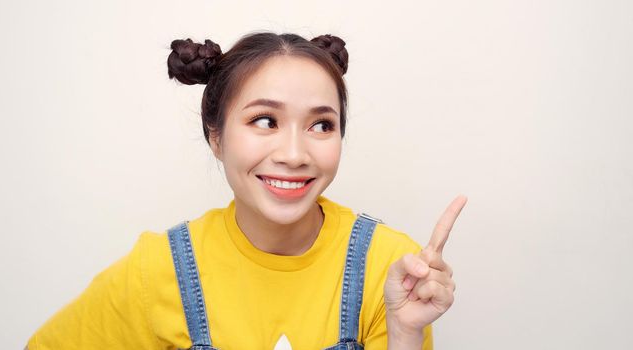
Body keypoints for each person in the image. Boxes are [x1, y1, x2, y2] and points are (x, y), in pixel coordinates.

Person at [26, 31, 466, 350]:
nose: (294, 153)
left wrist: (406, 335)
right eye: (264, 121)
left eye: (320, 125)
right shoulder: (160, 269)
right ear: (215, 137)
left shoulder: (390, 268)